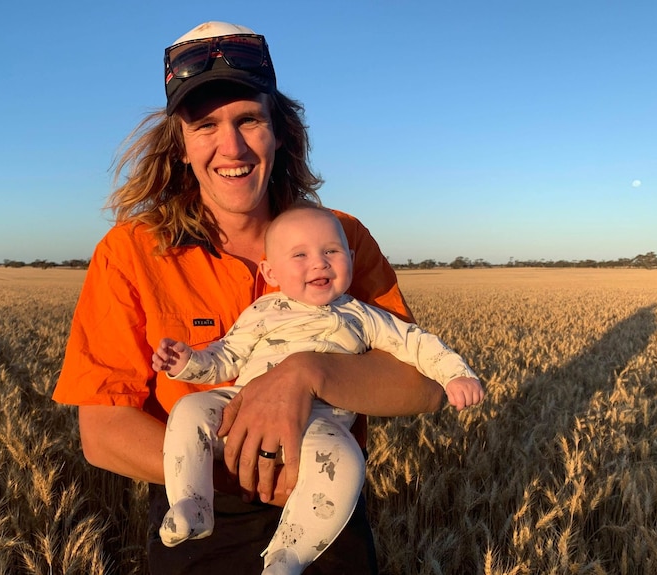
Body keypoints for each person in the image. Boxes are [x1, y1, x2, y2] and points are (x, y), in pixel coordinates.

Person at [52, 21, 446, 574]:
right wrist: (237, 472)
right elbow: (102, 432)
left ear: (279, 130)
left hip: (325, 514)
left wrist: (307, 374)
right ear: (181, 144)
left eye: (249, 120)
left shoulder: (341, 237)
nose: (230, 146)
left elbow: (423, 386)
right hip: (198, 518)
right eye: (205, 124)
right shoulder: (131, 251)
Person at [152, 205, 484, 574]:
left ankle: (288, 555)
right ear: (270, 272)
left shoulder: (363, 316)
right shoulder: (264, 310)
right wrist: (186, 364)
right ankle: (194, 503)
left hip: (318, 430)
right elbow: (225, 356)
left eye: (331, 251)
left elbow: (416, 343)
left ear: (352, 259)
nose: (319, 263)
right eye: (300, 255)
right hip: (241, 412)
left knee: (347, 462)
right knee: (190, 410)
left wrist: (456, 375)